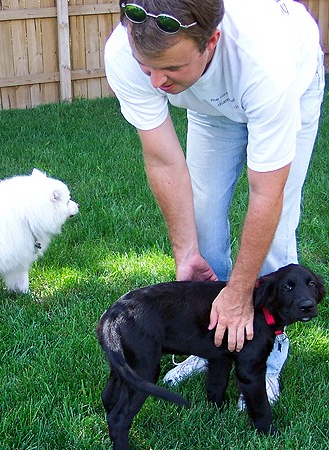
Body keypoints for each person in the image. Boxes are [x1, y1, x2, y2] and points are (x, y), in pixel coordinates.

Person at [104, 0, 325, 408]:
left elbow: (266, 192)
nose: (155, 81)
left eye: (170, 69)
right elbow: (163, 160)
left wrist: (242, 293)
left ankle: (266, 352)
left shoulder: (263, 65)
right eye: (146, 67)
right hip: (208, 108)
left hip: (287, 86)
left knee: (275, 235)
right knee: (203, 227)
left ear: (211, 42)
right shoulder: (123, 53)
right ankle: (213, 340)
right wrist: (186, 252)